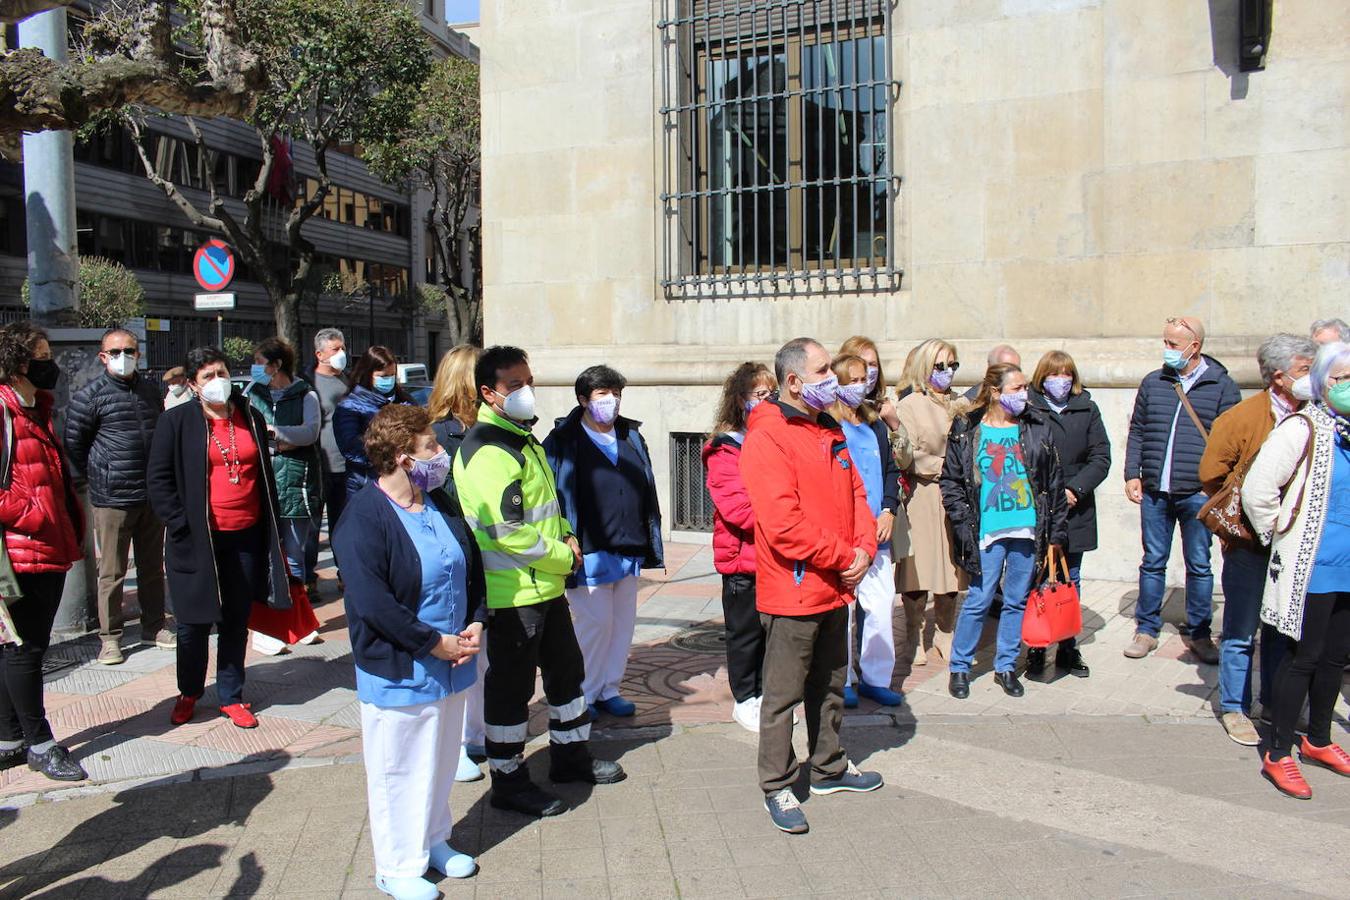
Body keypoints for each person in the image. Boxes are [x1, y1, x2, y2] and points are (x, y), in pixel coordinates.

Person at [452, 345, 625, 818]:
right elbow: (505, 530)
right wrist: (560, 557)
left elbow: (547, 506)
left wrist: (566, 534)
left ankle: (571, 758)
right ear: (488, 393)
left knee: (567, 676)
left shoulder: (522, 439)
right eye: (514, 384)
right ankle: (508, 782)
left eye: (528, 380)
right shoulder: (488, 449)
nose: (526, 391)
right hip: (514, 596)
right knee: (510, 693)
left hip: (544, 588)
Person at [333, 404, 485, 898]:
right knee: (401, 769)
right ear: (401, 458)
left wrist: (476, 620)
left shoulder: (437, 500)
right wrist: (433, 642)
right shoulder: (364, 516)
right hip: (403, 666)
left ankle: (435, 839)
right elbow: (372, 602)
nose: (440, 455)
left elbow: (470, 563)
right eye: (430, 447)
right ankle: (397, 865)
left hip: (453, 661)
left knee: (441, 759)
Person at [742, 337, 882, 835]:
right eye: (824, 370)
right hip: (794, 589)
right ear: (795, 382)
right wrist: (846, 556)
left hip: (835, 585)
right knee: (782, 696)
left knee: (829, 686)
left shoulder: (830, 427)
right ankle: (777, 785)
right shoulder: (769, 436)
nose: (835, 378)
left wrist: (863, 549)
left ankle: (828, 768)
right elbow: (783, 524)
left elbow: (858, 493)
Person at [147, 347, 291, 730]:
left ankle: (231, 695)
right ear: (193, 384)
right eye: (208, 375)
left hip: (246, 535)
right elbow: (158, 481)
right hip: (197, 539)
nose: (217, 381)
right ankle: (189, 692)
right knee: (193, 623)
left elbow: (263, 474)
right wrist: (180, 523)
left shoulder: (250, 416)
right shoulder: (176, 422)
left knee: (235, 619)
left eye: (222, 372)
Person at [1243, 341, 1350, 799]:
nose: (1346, 387)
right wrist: (1280, 534)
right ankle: (1279, 751)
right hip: (1312, 567)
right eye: (1338, 378)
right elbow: (1258, 490)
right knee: (1301, 660)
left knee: (1334, 660)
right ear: (1320, 381)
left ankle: (1319, 739)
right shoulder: (1302, 428)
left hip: (1347, 567)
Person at [1198, 334, 1316, 747]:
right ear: (1279, 377)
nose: (1312, 378)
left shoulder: (1315, 416)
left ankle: (1274, 702)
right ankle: (1234, 706)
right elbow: (1211, 472)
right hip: (1249, 542)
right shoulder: (1241, 417)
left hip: (1293, 542)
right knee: (1241, 627)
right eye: (1305, 370)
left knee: (1282, 627)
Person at [941, 363, 1068, 699]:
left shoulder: (1036, 426)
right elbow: (952, 481)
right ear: (995, 392)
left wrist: (1056, 534)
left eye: (1025, 388)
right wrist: (961, 517)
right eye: (1016, 389)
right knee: (980, 599)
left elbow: (1053, 482)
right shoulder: (967, 428)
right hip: (986, 529)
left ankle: (1007, 665)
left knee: (1016, 600)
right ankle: (960, 666)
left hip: (1027, 528)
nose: (1023, 395)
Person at [544, 365, 663, 721]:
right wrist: (565, 536)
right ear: (583, 399)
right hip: (588, 549)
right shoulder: (563, 441)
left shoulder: (630, 435)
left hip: (628, 546)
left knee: (622, 624)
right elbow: (552, 495)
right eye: (602, 394)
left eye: (616, 394)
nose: (611, 401)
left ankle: (609, 687)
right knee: (593, 625)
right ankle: (583, 692)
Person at [1123, 316, 1240, 663]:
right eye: (1165, 342)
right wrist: (1133, 473)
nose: (1167, 350)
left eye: (1173, 344)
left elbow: (1230, 444)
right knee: (1152, 561)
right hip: (1156, 490)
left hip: (1197, 493)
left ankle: (1200, 633)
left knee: (1199, 565)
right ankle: (1146, 628)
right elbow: (1139, 429)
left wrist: (1215, 487)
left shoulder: (1221, 386)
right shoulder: (1154, 381)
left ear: (1195, 347)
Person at [0, 322, 87, 781]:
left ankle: (9, 738)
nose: (49, 364)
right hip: (22, 550)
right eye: (41, 356)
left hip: (44, 547)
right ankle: (40, 743)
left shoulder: (35, 411)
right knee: (27, 649)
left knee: (16, 648)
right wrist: (36, 516)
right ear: (18, 364)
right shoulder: (3, 412)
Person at [64, 327, 174, 666]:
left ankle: (154, 626)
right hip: (111, 499)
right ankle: (110, 638)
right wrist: (97, 476)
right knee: (111, 573)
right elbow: (74, 443)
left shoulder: (151, 390)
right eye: (115, 352)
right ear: (103, 357)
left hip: (150, 496)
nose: (122, 357)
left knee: (153, 567)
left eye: (129, 350)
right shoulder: (90, 396)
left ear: (139, 353)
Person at [1024, 350, 1111, 679]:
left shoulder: (1087, 408)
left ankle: (1067, 646)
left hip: (1076, 507)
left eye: (1066, 374)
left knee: (1069, 578)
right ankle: (1034, 646)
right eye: (1053, 374)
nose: (1060, 380)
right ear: (1042, 377)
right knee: (1036, 577)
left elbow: (1101, 456)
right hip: (1038, 506)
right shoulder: (1030, 408)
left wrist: (1076, 489)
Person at [829, 354, 903, 708]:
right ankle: (842, 678)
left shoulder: (874, 424)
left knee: (880, 604)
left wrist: (889, 508)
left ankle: (876, 677)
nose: (862, 385)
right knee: (842, 608)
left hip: (878, 530)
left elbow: (891, 470)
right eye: (853, 379)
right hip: (844, 531)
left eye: (864, 378)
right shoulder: (828, 426)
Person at [704, 362, 775, 733]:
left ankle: (765, 694)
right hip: (742, 559)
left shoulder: (772, 438)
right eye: (759, 395)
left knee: (770, 633)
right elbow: (737, 509)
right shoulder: (724, 448)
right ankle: (745, 698)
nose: (766, 402)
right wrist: (783, 516)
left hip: (772, 557)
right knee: (745, 633)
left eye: (770, 394)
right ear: (740, 400)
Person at [244, 337, 322, 655]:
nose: (256, 367)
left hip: (296, 483)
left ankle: (295, 621)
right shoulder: (252, 392)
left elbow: (310, 433)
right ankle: (270, 624)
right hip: (263, 481)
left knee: (293, 554)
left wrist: (275, 433)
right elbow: (248, 429)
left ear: (276, 365)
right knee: (267, 552)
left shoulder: (306, 395)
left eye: (260, 361)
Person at [895, 339, 968, 665]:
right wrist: (942, 466)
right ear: (926, 368)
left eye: (953, 365)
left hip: (955, 496)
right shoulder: (910, 405)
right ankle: (914, 633)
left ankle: (945, 632)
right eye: (940, 366)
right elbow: (907, 454)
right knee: (917, 571)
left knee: (952, 569)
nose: (947, 372)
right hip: (922, 493)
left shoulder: (960, 403)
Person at [335, 345, 413, 497]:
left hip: (403, 481)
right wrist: (390, 454)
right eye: (383, 376)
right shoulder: (350, 406)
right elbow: (351, 445)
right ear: (368, 374)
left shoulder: (405, 401)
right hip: (365, 482)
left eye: (392, 375)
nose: (389, 380)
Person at [307, 327, 350, 598]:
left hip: (346, 468)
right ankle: (307, 579)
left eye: (342, 347)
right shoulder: (309, 383)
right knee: (312, 527)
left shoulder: (347, 381)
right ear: (320, 354)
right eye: (335, 349)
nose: (341, 354)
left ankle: (345, 574)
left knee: (343, 525)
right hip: (320, 468)